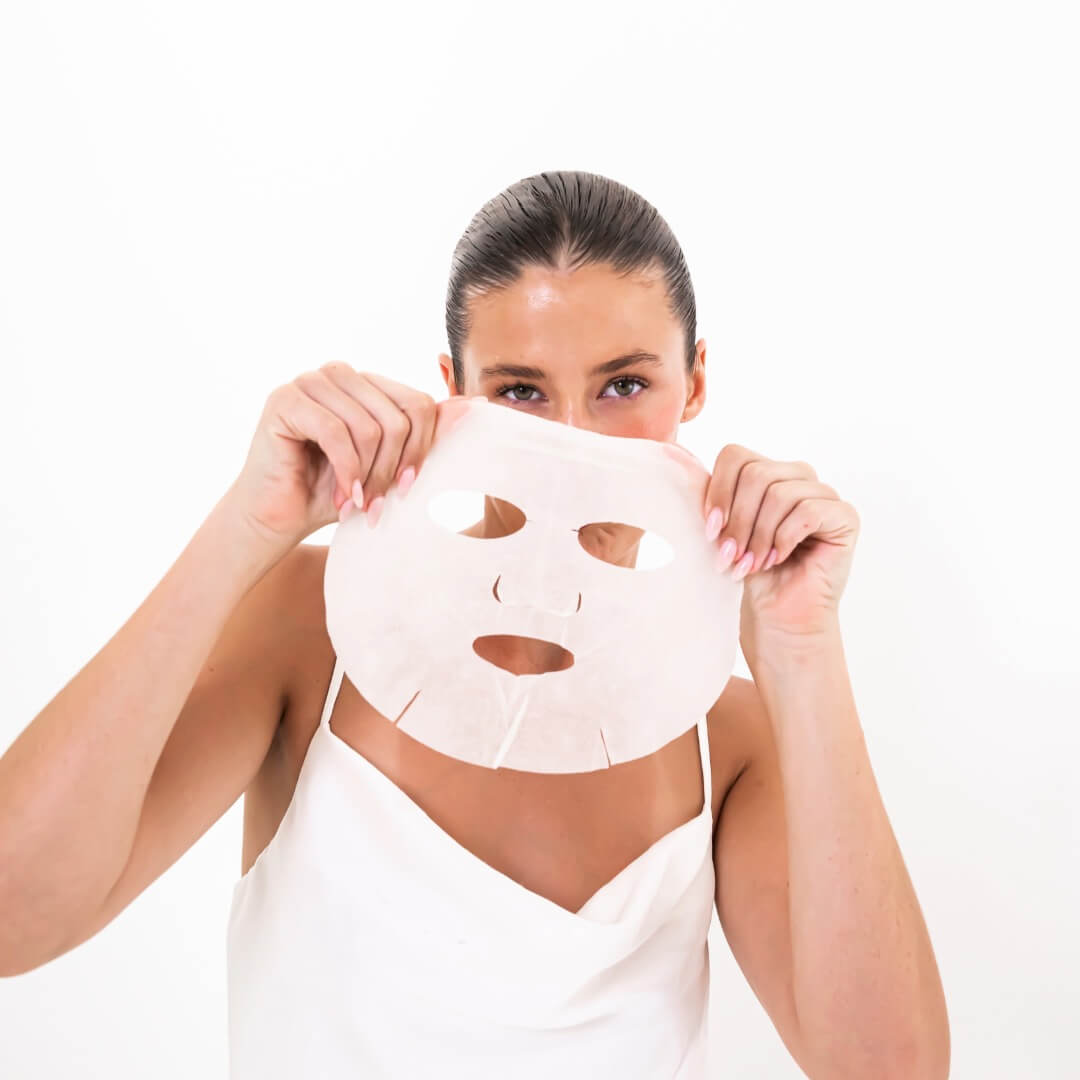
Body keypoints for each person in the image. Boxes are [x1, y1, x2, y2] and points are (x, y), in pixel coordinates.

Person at [0, 170, 949, 1078]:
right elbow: (13, 919)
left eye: (624, 386)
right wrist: (246, 528)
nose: (571, 438)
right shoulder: (314, 631)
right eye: (520, 391)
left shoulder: (726, 728)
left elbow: (890, 1070)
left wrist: (802, 651)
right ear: (454, 388)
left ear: (694, 385)